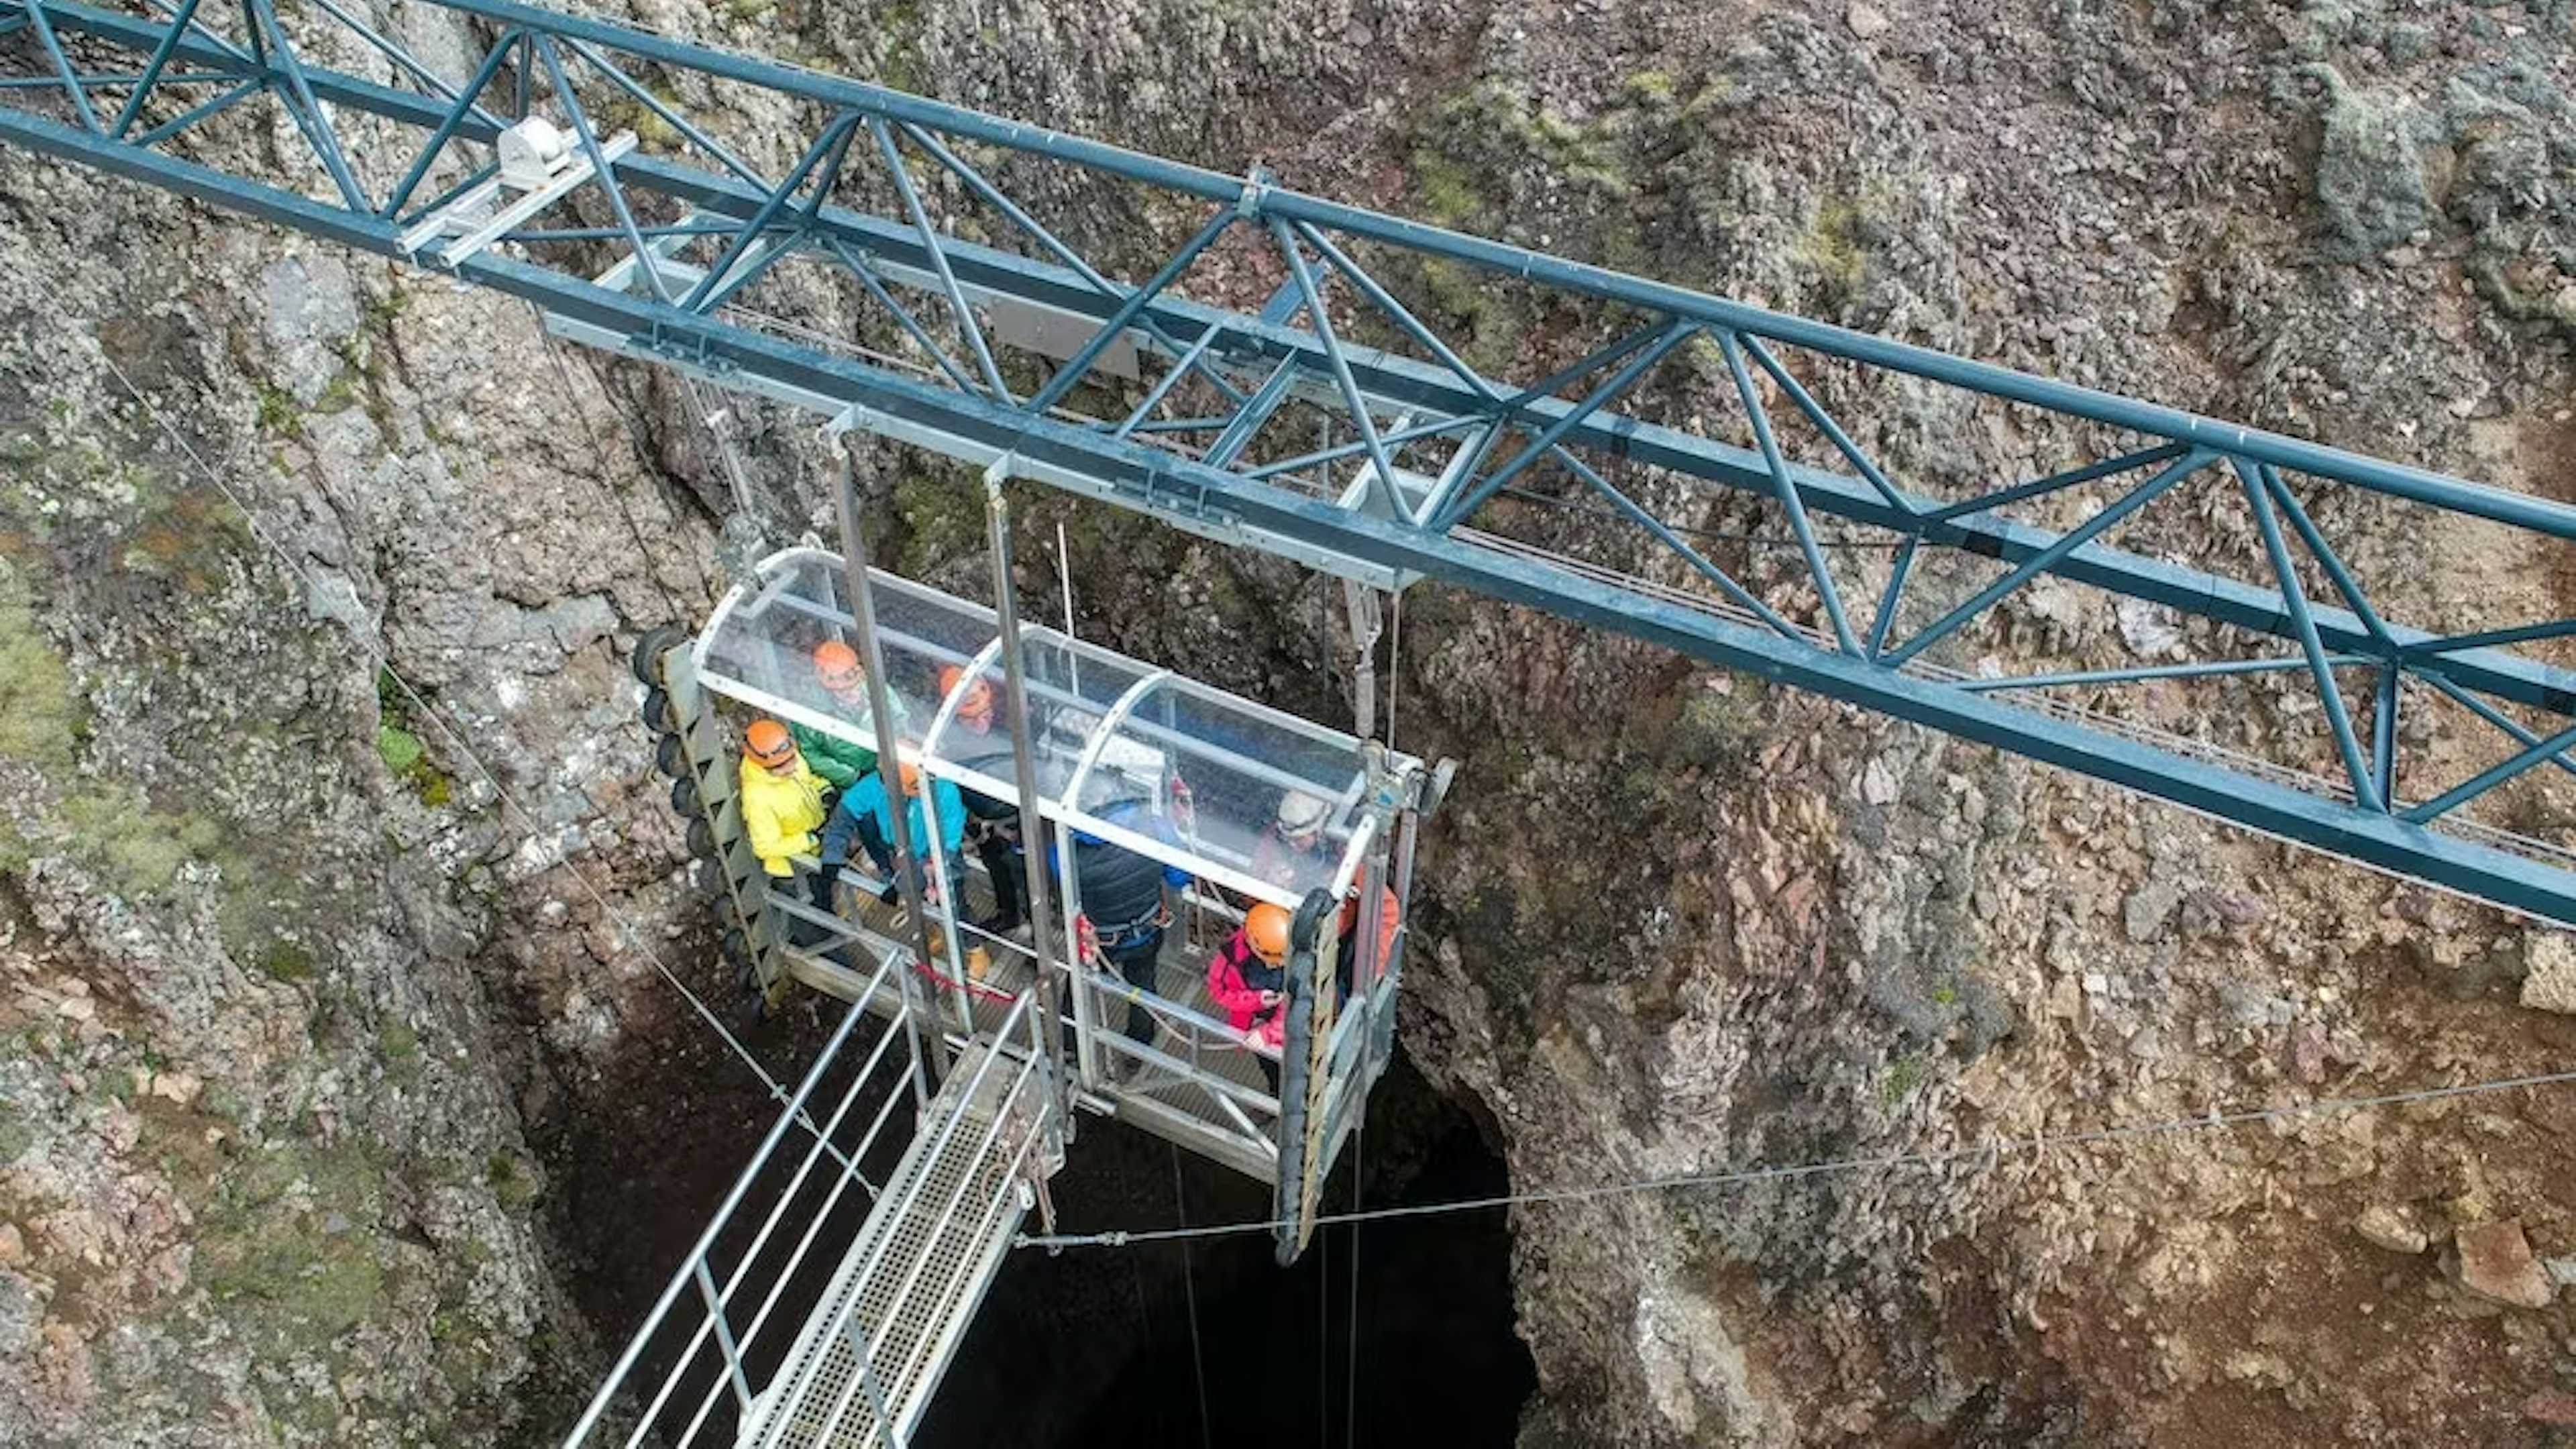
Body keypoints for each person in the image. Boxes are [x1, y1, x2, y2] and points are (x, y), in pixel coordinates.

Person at [1055, 796, 1193, 1063]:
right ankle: (1139, 1047)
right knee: (1142, 985)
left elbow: (1059, 878)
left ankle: (1070, 1047)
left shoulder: (1068, 849)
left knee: (1079, 990)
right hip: (1146, 929)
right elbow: (1179, 877)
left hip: (1100, 940)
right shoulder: (1154, 829)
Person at [937, 664, 1028, 936]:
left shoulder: (1012, 727)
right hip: (982, 821)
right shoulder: (949, 737)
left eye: (983, 714)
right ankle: (1009, 913)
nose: (979, 723)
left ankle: (1038, 928)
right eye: (970, 718)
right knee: (999, 871)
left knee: (1030, 877)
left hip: (1019, 819)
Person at [819, 759, 967, 912]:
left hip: (937, 863)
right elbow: (842, 821)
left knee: (953, 909)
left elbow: (946, 848)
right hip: (895, 853)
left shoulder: (945, 791)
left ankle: (964, 933)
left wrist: (902, 886)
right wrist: (832, 857)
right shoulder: (873, 787)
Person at [1205, 901, 1294, 1089]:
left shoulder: (1295, 958)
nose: (1275, 964)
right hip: (1256, 1027)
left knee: (1295, 1072)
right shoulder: (1230, 958)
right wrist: (1255, 1001)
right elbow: (1219, 992)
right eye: (1270, 957)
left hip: (1285, 1030)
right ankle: (1275, 1096)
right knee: (1272, 1070)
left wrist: (1268, 1033)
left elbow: (1300, 1004)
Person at [790, 639, 902, 790]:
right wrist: (850, 776)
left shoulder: (877, 689)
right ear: (825, 686)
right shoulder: (812, 712)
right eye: (841, 690)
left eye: (854, 686)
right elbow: (810, 752)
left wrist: (894, 753)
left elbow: (899, 717)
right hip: (854, 780)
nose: (851, 694)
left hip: (889, 766)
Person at [738, 718, 827, 880]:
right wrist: (808, 839)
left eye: (792, 759)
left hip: (817, 851)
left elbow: (807, 780)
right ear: (764, 766)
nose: (792, 768)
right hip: (794, 871)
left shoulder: (787, 757)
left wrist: (824, 790)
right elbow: (764, 847)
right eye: (782, 767)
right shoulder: (757, 799)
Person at [1249, 790, 1336, 895]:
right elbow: (1256, 874)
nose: (1291, 844)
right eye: (1287, 838)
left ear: (1319, 830)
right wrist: (1268, 879)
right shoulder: (1275, 836)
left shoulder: (1341, 847)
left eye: (1298, 838)